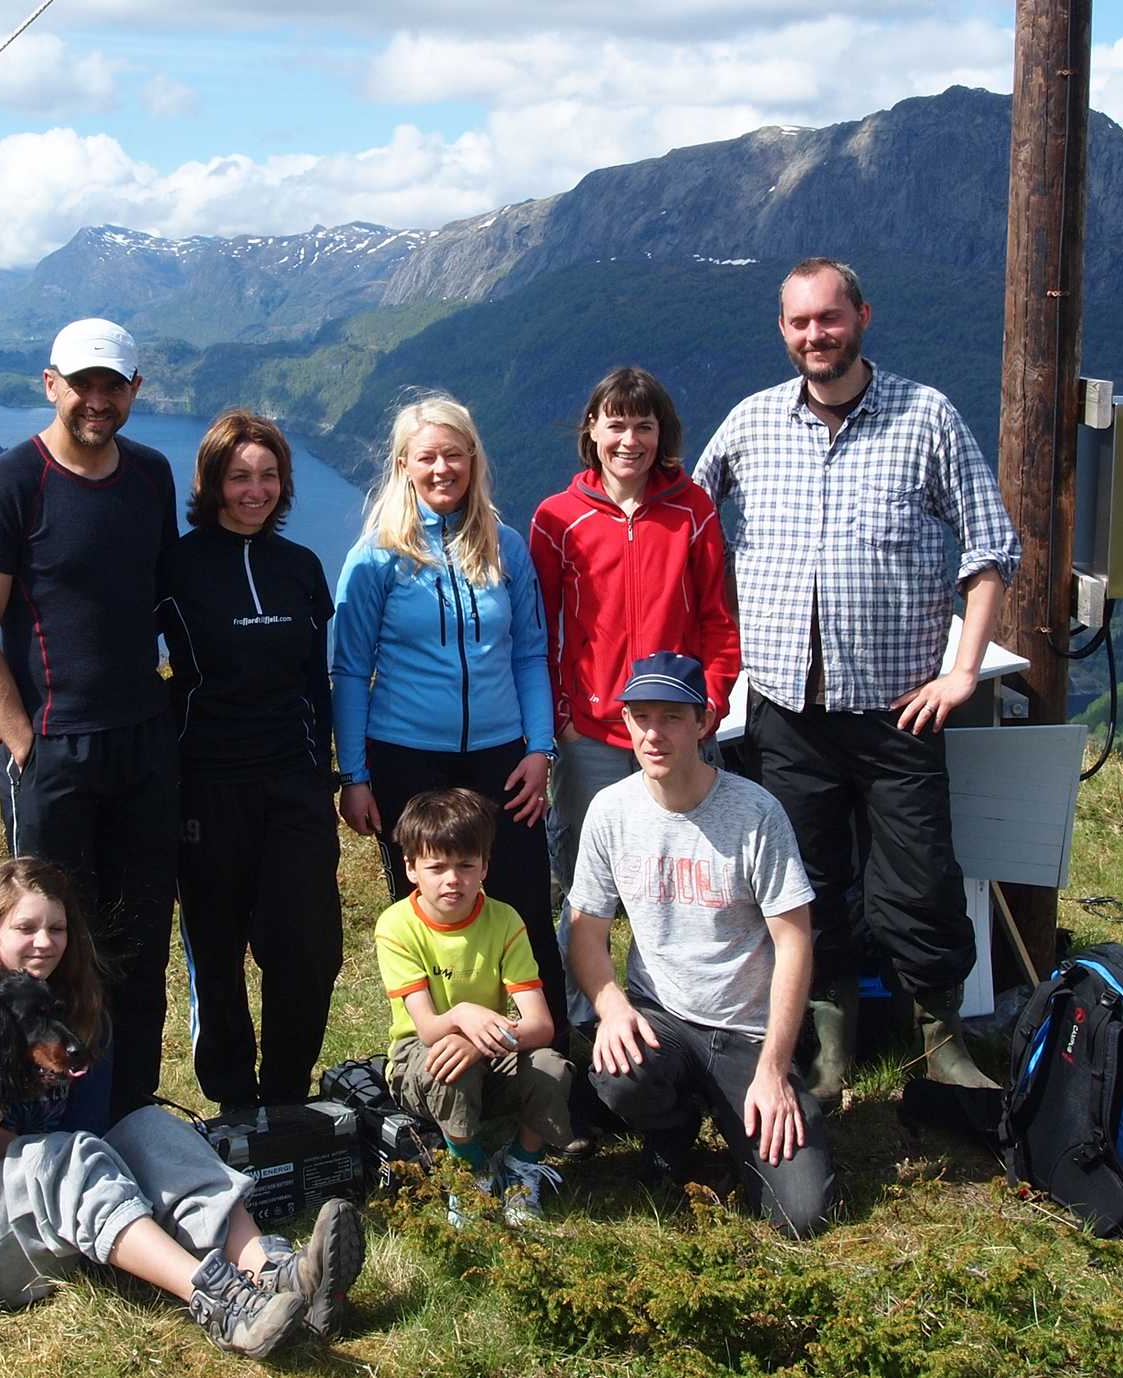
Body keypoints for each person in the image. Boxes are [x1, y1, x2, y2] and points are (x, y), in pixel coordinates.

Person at [0, 857, 365, 1358]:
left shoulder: (82, 1018)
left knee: (143, 1124)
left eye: (57, 928)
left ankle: (271, 1270)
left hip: (69, 1221)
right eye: (25, 927)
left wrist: (8, 1145)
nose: (44, 942)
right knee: (58, 1156)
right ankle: (218, 1301)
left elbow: (92, 1135)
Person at [691, 258, 1021, 1097]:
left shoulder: (926, 417)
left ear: (862, 317)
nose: (815, 337)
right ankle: (830, 1043)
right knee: (810, 881)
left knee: (921, 880)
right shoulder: (753, 422)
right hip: (783, 708)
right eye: (800, 323)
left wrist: (964, 673)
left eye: (829, 319)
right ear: (782, 330)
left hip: (897, 709)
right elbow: (683, 524)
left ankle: (941, 1045)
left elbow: (991, 550)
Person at [0, 317, 179, 1118]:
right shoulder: (11, 483)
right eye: (80, 383)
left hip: (143, 745)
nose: (95, 400)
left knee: (142, 938)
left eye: (111, 385)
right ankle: (38, 1103)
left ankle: (133, 1107)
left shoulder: (151, 476)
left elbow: (158, 600)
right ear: (50, 383)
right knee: (44, 945)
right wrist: (23, 744)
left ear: (133, 392)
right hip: (54, 751)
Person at [565, 652, 832, 1237]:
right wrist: (611, 1010)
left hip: (749, 1034)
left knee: (803, 1214)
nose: (652, 734)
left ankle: (752, 1108)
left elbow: (795, 943)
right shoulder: (611, 811)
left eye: (671, 717)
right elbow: (586, 928)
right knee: (615, 1075)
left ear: (704, 722)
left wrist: (773, 1069)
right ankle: (673, 1127)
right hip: (664, 1020)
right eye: (639, 717)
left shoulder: (756, 813)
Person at [331, 393, 563, 1044]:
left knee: (523, 912)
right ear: (404, 464)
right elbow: (348, 669)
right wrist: (354, 773)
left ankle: (549, 1076)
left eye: (454, 455)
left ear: (473, 460)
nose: (442, 468)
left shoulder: (505, 547)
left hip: (501, 757)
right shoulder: (376, 555)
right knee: (428, 917)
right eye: (427, 456)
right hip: (404, 758)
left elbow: (529, 652)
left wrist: (539, 749)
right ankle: (439, 1075)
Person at [529, 367, 739, 1032]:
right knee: (587, 888)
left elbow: (718, 619)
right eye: (616, 423)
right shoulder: (557, 519)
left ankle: (671, 1014)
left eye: (643, 425)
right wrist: (560, 716)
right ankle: (583, 1025)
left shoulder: (692, 509)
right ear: (591, 431)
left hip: (679, 725)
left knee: (678, 875)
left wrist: (713, 697)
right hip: (589, 733)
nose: (630, 439)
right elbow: (539, 628)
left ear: (661, 433)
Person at [161, 410, 341, 1113]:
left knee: (310, 949)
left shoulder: (301, 569)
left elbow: (315, 684)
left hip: (294, 787)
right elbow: (122, 657)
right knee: (216, 951)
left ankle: (287, 1095)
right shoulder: (176, 566)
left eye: (268, 476)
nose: (255, 490)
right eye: (239, 476)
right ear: (211, 482)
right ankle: (236, 1100)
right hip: (206, 788)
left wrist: (329, 772)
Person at [372, 788, 572, 1222]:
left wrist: (481, 1043)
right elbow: (426, 1028)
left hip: (493, 1046)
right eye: (437, 867)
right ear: (410, 868)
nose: (452, 879)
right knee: (450, 1066)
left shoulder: (505, 920)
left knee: (552, 1068)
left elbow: (540, 1025)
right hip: (419, 1056)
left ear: (485, 865)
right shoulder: (396, 925)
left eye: (465, 865)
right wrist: (464, 1015)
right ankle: (470, 1172)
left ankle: (522, 1165)